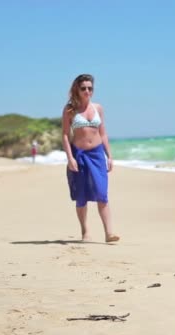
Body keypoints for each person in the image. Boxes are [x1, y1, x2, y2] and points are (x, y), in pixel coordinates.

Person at [61, 74, 119, 243]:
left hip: (97, 154)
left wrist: (109, 155)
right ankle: (85, 231)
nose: (87, 91)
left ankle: (109, 233)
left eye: (90, 88)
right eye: (83, 88)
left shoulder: (98, 108)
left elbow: (103, 133)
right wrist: (70, 157)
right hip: (79, 154)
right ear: (77, 90)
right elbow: (65, 135)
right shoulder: (70, 109)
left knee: (102, 192)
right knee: (81, 195)